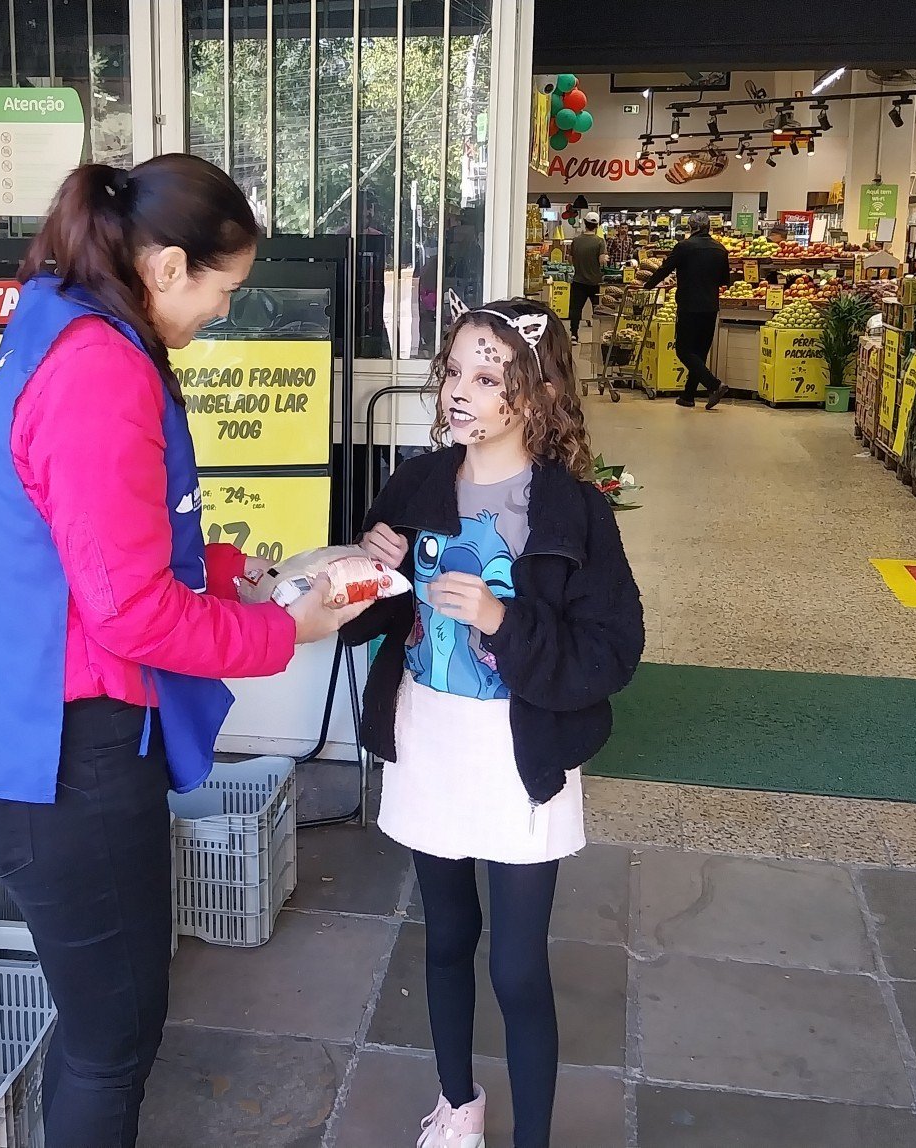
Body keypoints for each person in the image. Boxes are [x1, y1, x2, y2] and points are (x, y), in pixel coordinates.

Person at [0, 154, 370, 1148]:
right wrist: (282, 628)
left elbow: (94, 542)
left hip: (31, 738)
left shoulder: (57, 319)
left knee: (96, 1031)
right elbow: (129, 610)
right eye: (225, 288)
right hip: (65, 758)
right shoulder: (98, 367)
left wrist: (234, 572)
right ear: (168, 266)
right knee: (114, 1041)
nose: (225, 310)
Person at [345, 298, 645, 1148]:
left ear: (537, 393)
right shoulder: (415, 485)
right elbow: (364, 621)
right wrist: (372, 572)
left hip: (523, 756)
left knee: (517, 969)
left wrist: (503, 623)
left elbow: (614, 651)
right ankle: (458, 1106)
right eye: (452, 373)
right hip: (427, 739)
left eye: (487, 376)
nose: (459, 393)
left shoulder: (573, 511)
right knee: (445, 938)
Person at [641, 212, 731, 409]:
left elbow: (665, 269)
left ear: (691, 227)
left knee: (683, 350)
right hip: (711, 306)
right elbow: (725, 281)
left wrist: (647, 286)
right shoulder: (720, 249)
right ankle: (688, 396)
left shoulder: (684, 247)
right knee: (699, 352)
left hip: (689, 305)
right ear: (708, 227)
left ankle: (714, 385)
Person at [566, 215, 605, 344]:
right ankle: (599, 337)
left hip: (578, 281)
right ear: (597, 225)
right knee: (598, 310)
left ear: (584, 223)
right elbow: (601, 260)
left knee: (576, 309)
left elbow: (570, 259)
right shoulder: (600, 241)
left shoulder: (576, 241)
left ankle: (574, 335)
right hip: (595, 282)